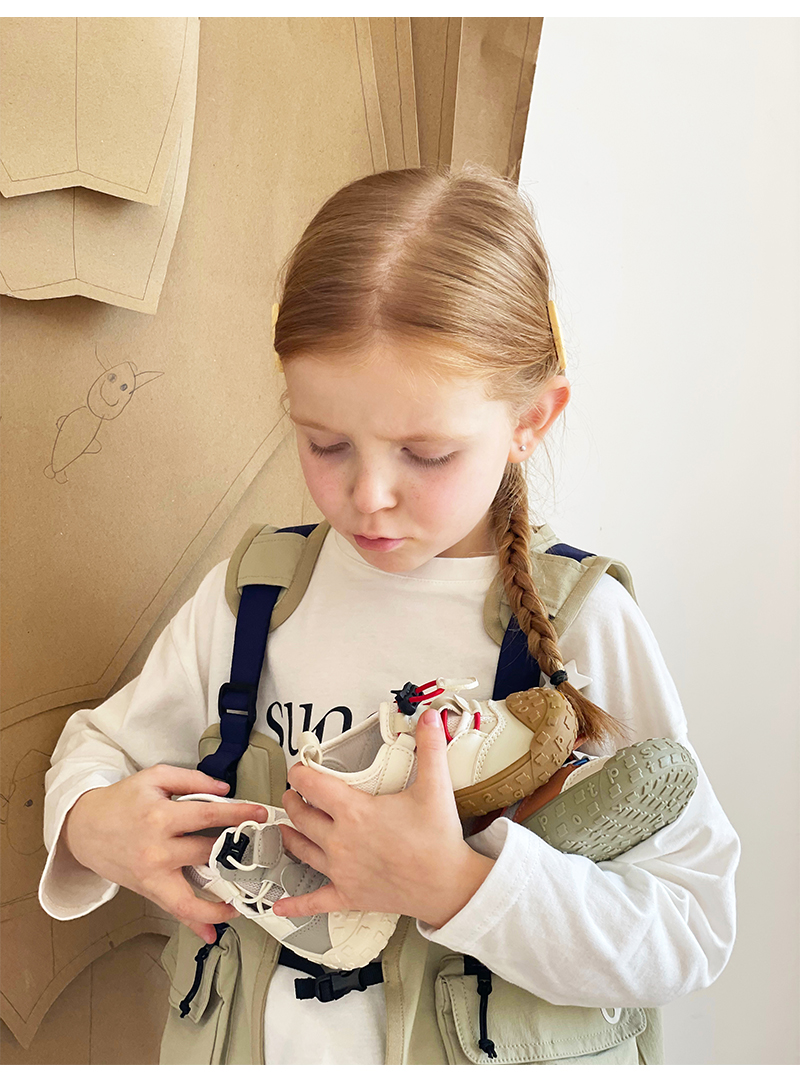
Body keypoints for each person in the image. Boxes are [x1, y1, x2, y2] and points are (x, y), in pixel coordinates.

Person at [40, 164, 739, 1065]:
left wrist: (455, 886)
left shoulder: (583, 625)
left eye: (427, 453)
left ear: (531, 420)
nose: (369, 495)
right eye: (326, 442)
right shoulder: (255, 597)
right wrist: (91, 824)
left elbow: (689, 927)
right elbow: (99, 746)